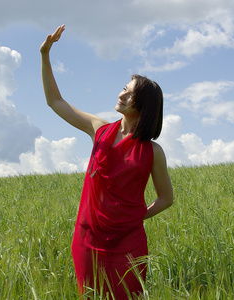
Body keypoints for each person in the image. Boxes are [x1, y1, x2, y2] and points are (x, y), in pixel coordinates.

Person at [40, 24, 173, 299]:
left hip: (129, 242)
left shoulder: (153, 152)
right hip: (88, 238)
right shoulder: (98, 129)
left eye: (131, 93)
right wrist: (45, 55)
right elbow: (55, 101)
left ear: (144, 106)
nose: (122, 94)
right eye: (123, 88)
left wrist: (138, 216)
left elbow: (166, 198)